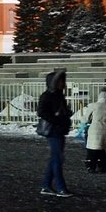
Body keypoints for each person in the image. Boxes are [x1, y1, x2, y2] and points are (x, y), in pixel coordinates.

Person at [36, 68, 72, 197]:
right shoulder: (47, 96)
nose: (64, 83)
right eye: (61, 81)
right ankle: (60, 187)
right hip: (53, 130)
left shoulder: (58, 95)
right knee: (58, 158)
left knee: (55, 158)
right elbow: (41, 112)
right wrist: (56, 119)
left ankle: (46, 185)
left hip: (59, 129)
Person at [84, 88, 106, 173]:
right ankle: (102, 167)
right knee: (102, 149)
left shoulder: (93, 106)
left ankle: (91, 167)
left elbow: (85, 119)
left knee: (92, 149)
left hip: (94, 130)